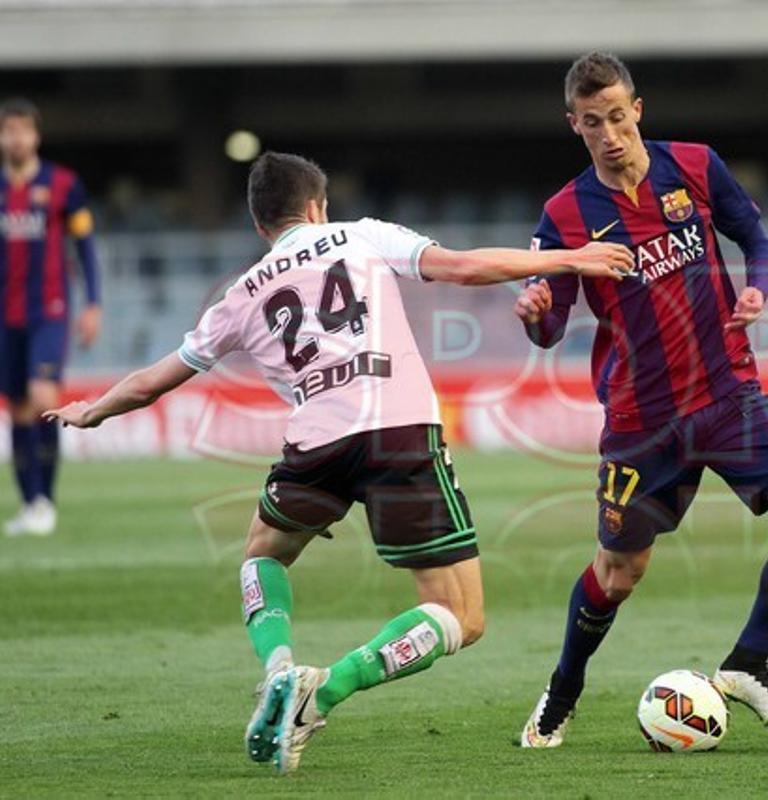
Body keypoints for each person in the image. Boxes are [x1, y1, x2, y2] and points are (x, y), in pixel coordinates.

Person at [46, 151, 633, 774]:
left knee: (263, 555)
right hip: (397, 433)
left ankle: (276, 666)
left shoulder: (242, 292)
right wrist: (570, 257)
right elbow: (463, 268)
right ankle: (321, 691)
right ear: (318, 207)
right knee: (462, 615)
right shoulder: (362, 236)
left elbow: (156, 379)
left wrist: (94, 411)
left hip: (317, 442)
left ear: (260, 225)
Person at [514, 52, 768, 748]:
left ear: (637, 110)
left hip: (729, 393)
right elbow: (551, 327)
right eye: (591, 123)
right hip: (643, 422)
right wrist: (535, 311)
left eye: (617, 117)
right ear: (573, 124)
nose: (609, 133)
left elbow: (754, 236)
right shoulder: (565, 213)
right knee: (620, 571)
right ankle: (564, 689)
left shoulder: (696, 166)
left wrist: (756, 284)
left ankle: (749, 661)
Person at [1, 97, 102, 536]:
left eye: (23, 129)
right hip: (6, 315)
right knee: (19, 409)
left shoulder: (63, 185)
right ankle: (29, 504)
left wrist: (93, 304)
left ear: (35, 136)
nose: (16, 138)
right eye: (8, 130)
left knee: (44, 398)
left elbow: (85, 247)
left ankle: (46, 502)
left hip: (50, 311)